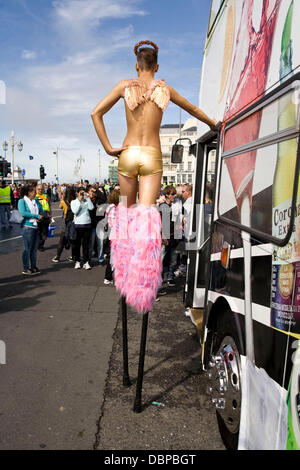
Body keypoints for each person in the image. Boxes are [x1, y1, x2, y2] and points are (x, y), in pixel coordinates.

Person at [91, 40, 217, 313]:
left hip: (127, 151)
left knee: (124, 213)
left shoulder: (125, 86)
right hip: (151, 154)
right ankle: (145, 285)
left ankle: (122, 274)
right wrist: (213, 124)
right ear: (156, 66)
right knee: (148, 216)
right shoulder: (164, 90)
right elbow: (194, 110)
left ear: (137, 65)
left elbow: (95, 112)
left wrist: (108, 147)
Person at [18, 184, 45, 275]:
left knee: (33, 249)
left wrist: (41, 212)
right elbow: (23, 213)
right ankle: (26, 268)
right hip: (27, 227)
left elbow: (42, 210)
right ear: (29, 192)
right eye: (34, 191)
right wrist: (36, 216)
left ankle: (33, 266)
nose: (35, 193)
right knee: (27, 249)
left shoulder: (35, 200)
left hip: (36, 227)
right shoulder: (22, 201)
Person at [159, 185, 178, 287]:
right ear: (166, 195)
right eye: (172, 194)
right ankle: (159, 278)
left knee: (173, 259)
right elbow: (160, 223)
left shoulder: (176, 206)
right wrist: (163, 237)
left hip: (174, 237)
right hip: (165, 237)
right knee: (161, 259)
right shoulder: (162, 207)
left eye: (175, 194)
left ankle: (170, 277)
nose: (174, 196)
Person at [71, 187, 94, 270]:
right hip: (77, 225)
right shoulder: (73, 202)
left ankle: (86, 262)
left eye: (83, 193)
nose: (82, 194)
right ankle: (77, 261)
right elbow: (75, 211)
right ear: (77, 193)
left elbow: (91, 208)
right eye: (81, 193)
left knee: (86, 245)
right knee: (77, 245)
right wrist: (80, 201)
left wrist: (87, 199)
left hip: (87, 224)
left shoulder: (87, 201)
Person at [52, 186, 76, 263]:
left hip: (65, 221)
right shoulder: (75, 201)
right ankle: (73, 256)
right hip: (74, 221)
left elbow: (60, 207)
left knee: (62, 240)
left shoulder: (64, 201)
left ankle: (58, 256)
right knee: (73, 239)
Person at [103, 189, 120, 285]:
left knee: (113, 257)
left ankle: (109, 277)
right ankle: (109, 277)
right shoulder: (115, 209)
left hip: (112, 235)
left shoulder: (109, 207)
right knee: (115, 258)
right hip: (117, 235)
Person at [88, 184, 107, 265]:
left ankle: (101, 259)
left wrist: (97, 191)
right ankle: (88, 259)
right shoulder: (87, 200)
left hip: (99, 224)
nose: (93, 193)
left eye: (94, 191)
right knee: (91, 244)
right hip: (91, 224)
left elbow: (104, 198)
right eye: (91, 191)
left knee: (101, 244)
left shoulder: (99, 200)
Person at [35, 183, 52, 251]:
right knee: (38, 232)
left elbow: (49, 206)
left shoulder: (46, 196)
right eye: (38, 189)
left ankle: (41, 245)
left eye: (41, 189)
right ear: (36, 190)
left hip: (46, 216)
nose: (40, 190)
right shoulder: (34, 197)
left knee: (45, 232)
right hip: (37, 216)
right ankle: (39, 245)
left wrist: (50, 215)